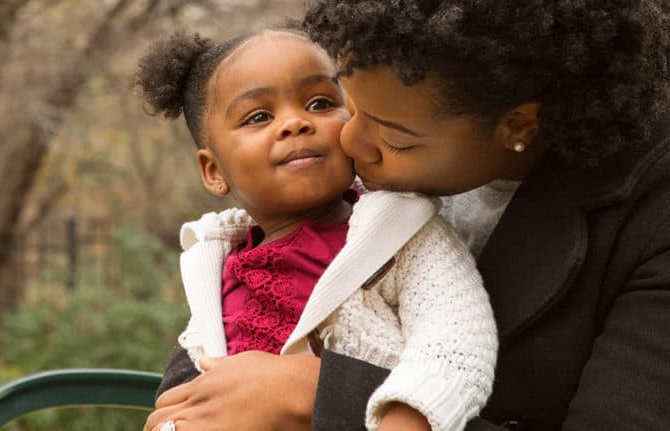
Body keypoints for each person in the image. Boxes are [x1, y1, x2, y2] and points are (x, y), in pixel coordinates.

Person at [144, 1, 670, 430]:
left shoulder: (650, 215)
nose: (348, 140)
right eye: (355, 105)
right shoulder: (262, 229)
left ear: (519, 126)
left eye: (392, 135)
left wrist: (315, 394)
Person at [136, 26, 497, 431]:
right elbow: (183, 402)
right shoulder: (219, 265)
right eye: (259, 116)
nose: (295, 123)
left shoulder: (403, 233)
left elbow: (455, 344)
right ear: (214, 170)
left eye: (321, 103)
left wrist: (405, 420)